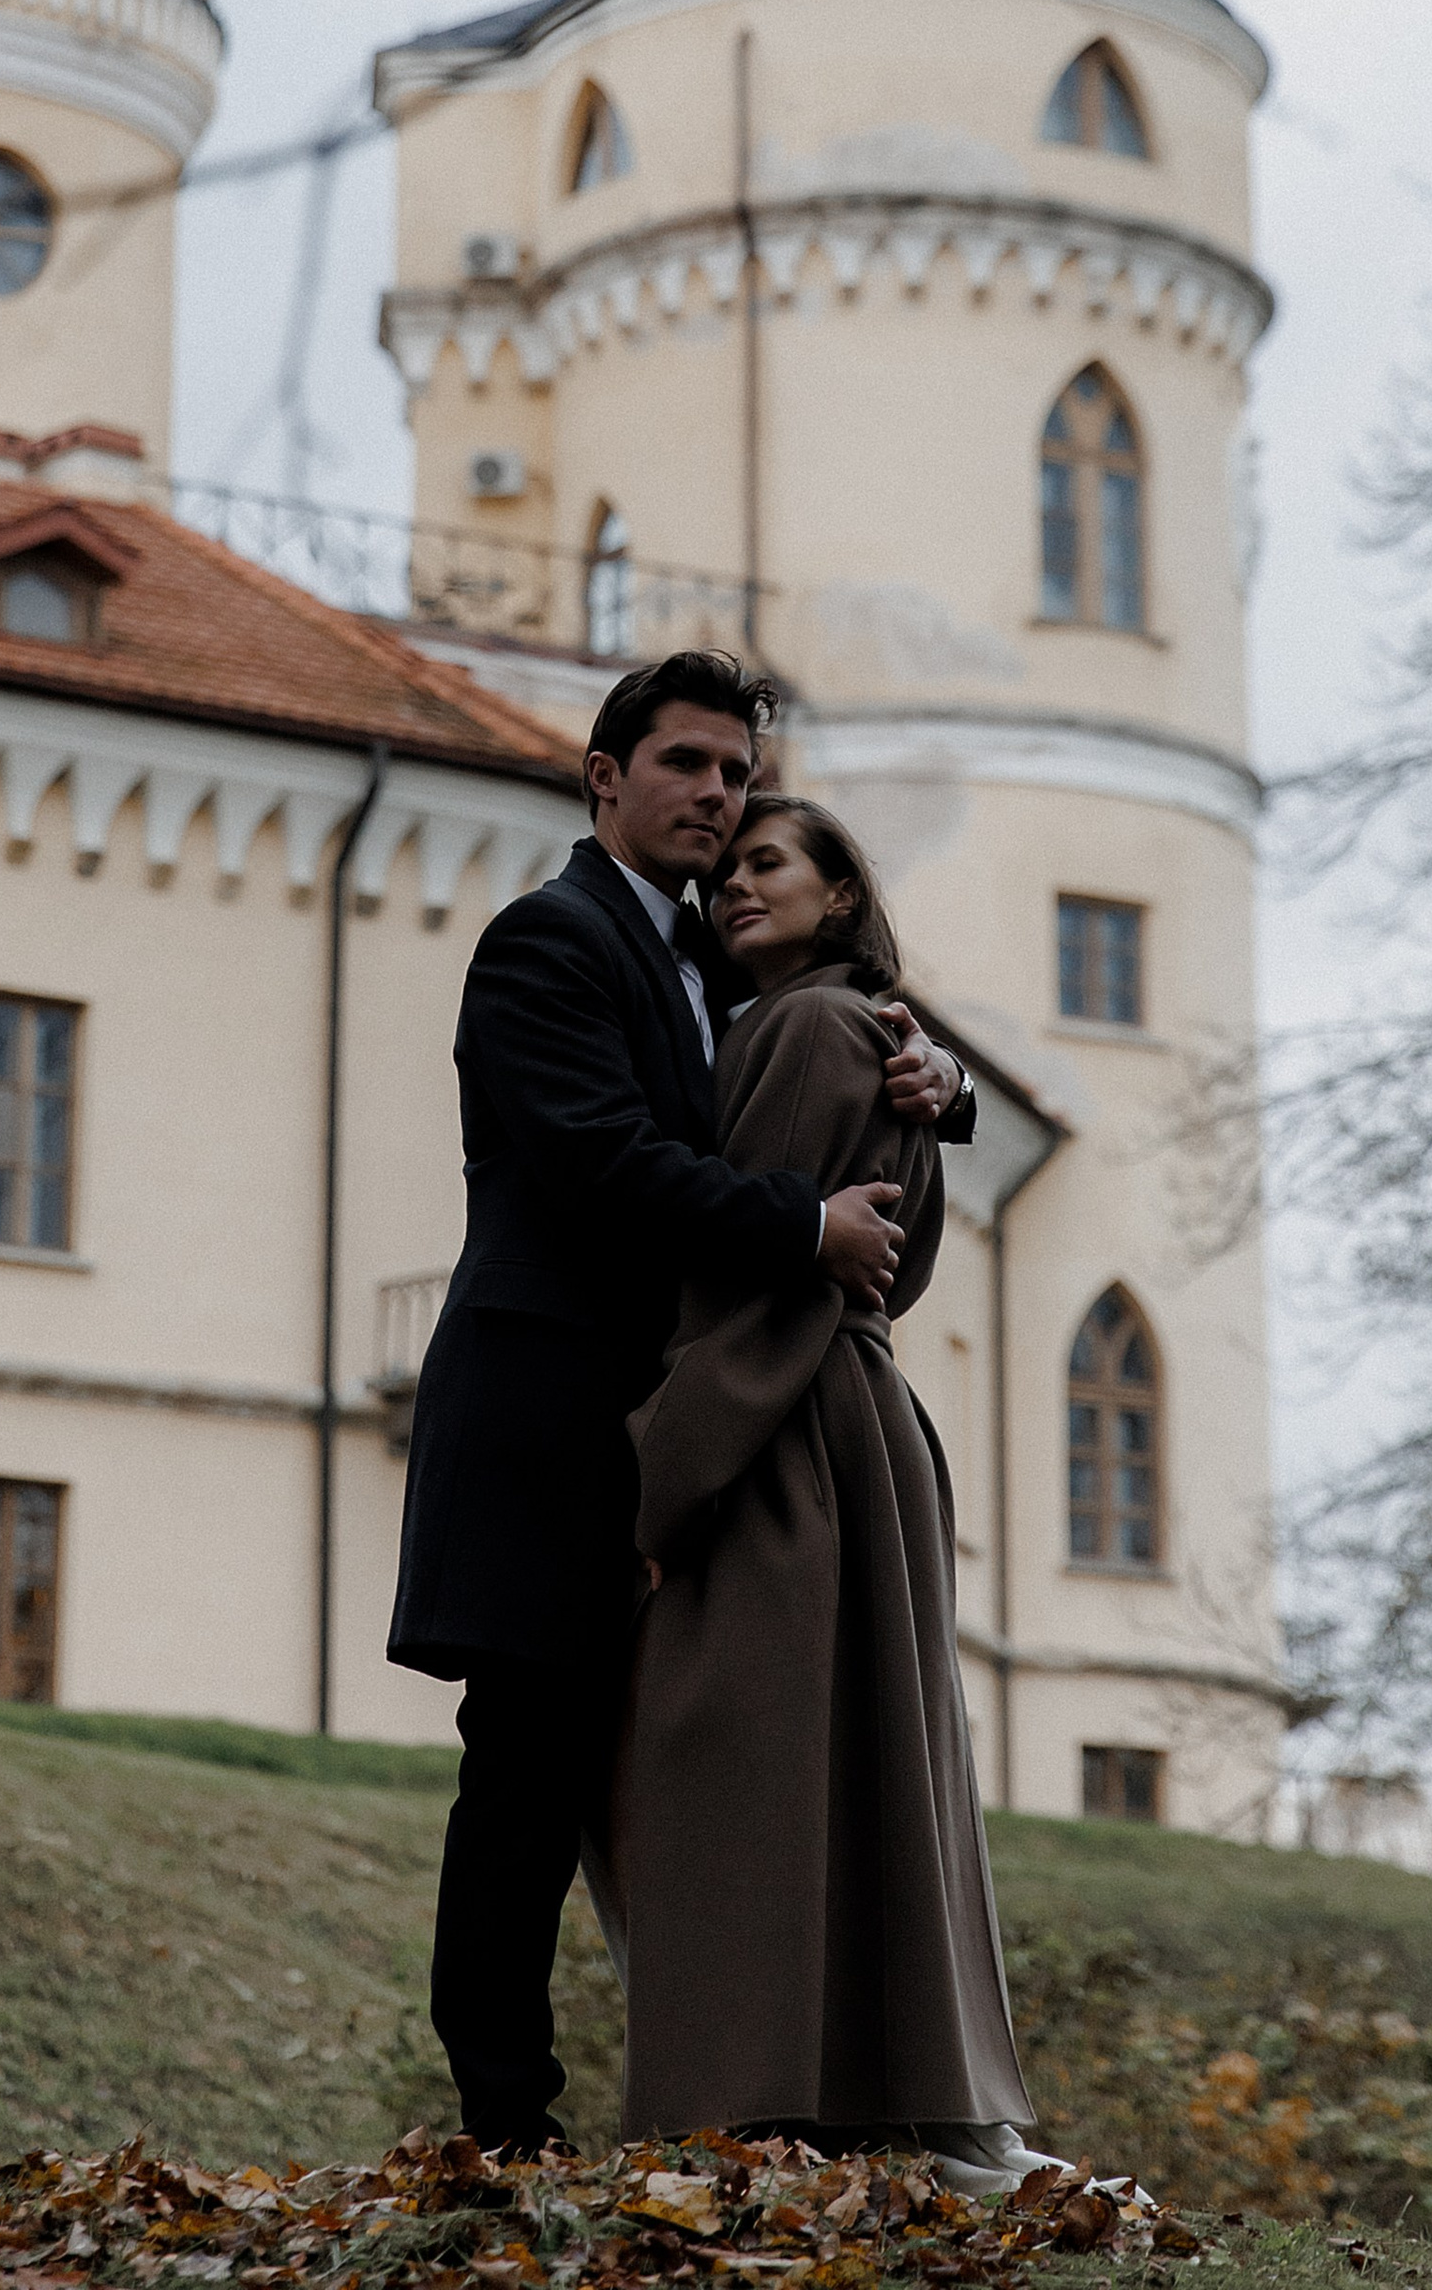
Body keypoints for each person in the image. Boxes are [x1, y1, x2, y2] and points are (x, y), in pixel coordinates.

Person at [387, 649, 977, 2158]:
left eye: (735, 774)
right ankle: (505, 2124)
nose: (716, 796)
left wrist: (939, 1081)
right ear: (606, 777)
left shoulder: (713, 960)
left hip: (669, 1428)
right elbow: (602, 1163)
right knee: (524, 1776)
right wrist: (804, 1230)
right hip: (542, 1423)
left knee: (669, 1774)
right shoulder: (549, 943)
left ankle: (748, 2083)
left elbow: (842, 1017)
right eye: (687, 766)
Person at [614, 790, 1045, 2187]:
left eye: (769, 864)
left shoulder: (807, 1027)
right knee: (854, 1779)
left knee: (735, 1769)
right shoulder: (877, 1038)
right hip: (852, 1429)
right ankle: (879, 2103)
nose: (738, 884)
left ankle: (749, 2108)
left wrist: (658, 1486)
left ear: (841, 895)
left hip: (785, 1433)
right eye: (725, 870)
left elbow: (758, 1288)